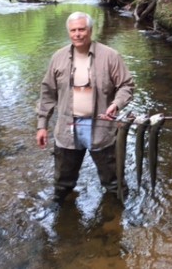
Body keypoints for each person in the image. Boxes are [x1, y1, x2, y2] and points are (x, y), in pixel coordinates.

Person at [36, 11, 134, 206]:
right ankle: (61, 215)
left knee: (113, 181)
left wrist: (116, 104)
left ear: (90, 30)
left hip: (101, 128)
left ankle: (119, 214)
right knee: (62, 182)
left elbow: (127, 85)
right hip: (67, 127)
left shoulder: (110, 56)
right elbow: (47, 93)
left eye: (82, 29)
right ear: (68, 32)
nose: (77, 34)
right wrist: (42, 125)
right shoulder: (58, 58)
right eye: (73, 30)